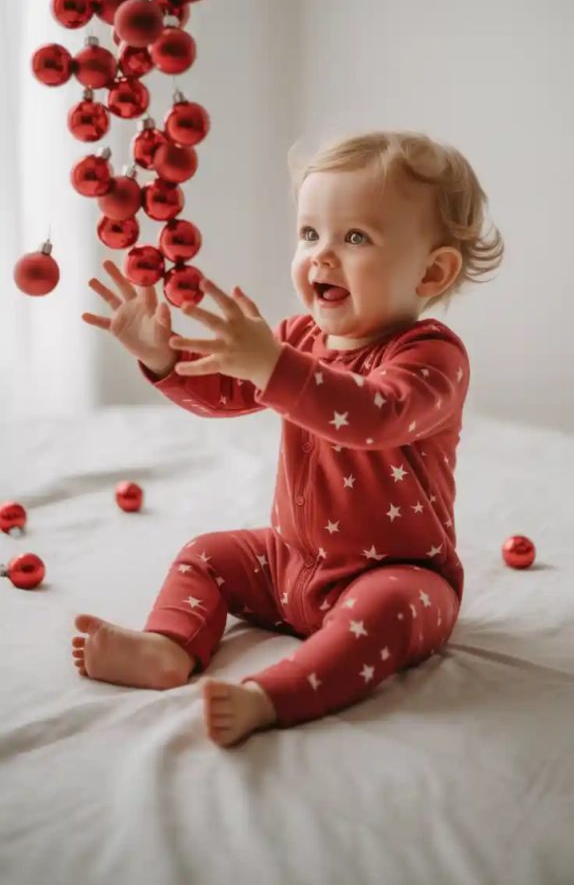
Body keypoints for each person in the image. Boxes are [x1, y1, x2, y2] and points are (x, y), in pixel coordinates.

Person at [72, 130, 504, 747]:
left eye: (356, 238)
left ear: (432, 270)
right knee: (209, 553)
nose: (322, 256)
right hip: (290, 564)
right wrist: (163, 356)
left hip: (396, 573)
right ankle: (167, 647)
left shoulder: (432, 358)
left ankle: (269, 697)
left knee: (385, 612)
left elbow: (372, 413)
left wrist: (272, 365)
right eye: (310, 234)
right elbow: (226, 390)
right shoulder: (297, 338)